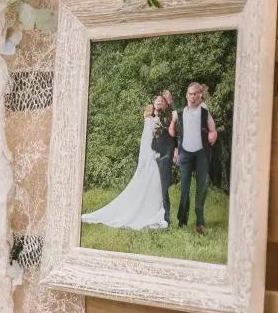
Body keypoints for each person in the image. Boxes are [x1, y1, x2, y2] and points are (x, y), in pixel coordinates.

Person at [81, 102, 168, 232]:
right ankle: (149, 212)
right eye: (157, 103)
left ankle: (155, 210)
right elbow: (147, 140)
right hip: (151, 156)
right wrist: (150, 156)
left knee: (155, 184)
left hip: (158, 156)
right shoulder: (150, 120)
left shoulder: (163, 119)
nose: (159, 105)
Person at [171, 82, 218, 234]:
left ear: (200, 95)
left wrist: (212, 136)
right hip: (185, 154)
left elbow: (213, 130)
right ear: (187, 95)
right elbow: (173, 133)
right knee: (184, 189)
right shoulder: (178, 113)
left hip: (201, 154)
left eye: (195, 94)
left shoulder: (204, 112)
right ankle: (182, 221)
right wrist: (176, 150)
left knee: (201, 189)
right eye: (190, 94)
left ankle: (200, 223)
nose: (192, 97)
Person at [150, 90, 177, 224]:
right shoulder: (152, 115)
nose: (163, 101)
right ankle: (154, 214)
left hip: (166, 154)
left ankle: (165, 217)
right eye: (161, 99)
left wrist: (175, 150)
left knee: (163, 186)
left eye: (166, 99)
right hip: (154, 154)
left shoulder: (172, 115)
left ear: (169, 101)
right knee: (154, 186)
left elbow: (176, 135)